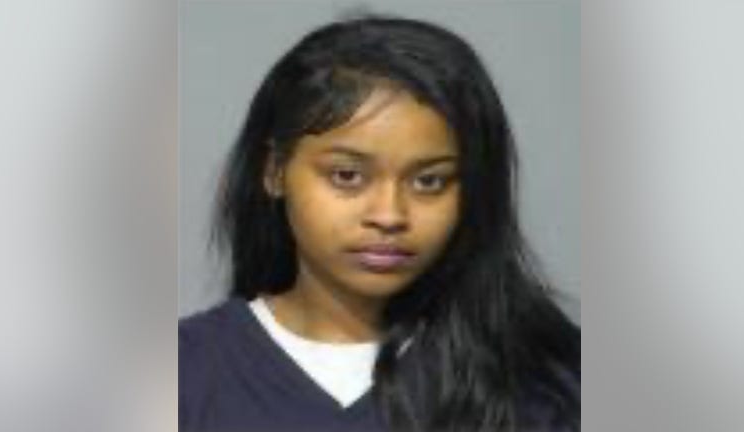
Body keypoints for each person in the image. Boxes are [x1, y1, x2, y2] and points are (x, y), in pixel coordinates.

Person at [179, 14, 580, 432]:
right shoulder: (183, 375)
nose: (389, 215)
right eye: (347, 176)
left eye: (429, 181)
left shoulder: (552, 384)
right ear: (275, 170)